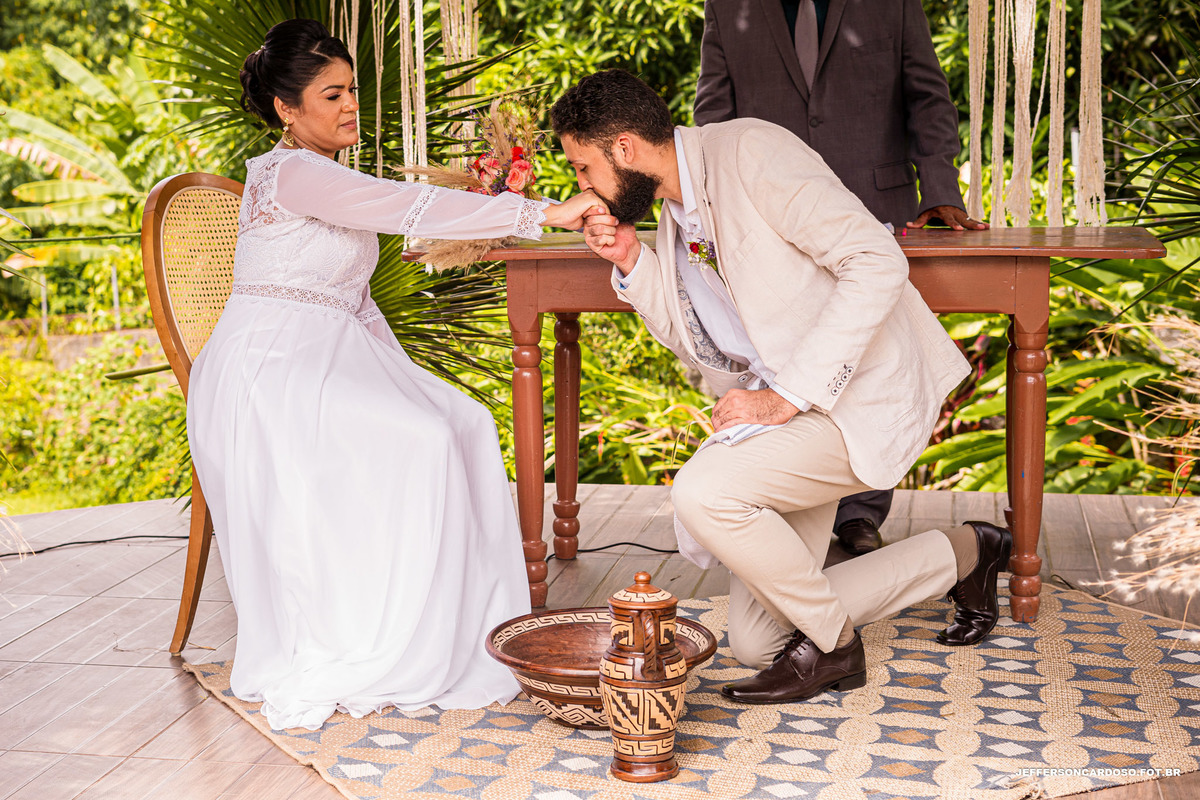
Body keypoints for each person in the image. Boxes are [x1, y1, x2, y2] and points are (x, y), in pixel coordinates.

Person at [187, 19, 599, 731]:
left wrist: (408, 383)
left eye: (350, 90)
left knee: (462, 421)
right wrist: (544, 212)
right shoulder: (294, 171)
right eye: (332, 94)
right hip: (270, 376)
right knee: (423, 442)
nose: (351, 105)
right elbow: (414, 204)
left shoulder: (325, 174)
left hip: (324, 358)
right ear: (288, 109)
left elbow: (354, 300)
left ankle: (475, 626)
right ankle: (404, 632)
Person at [553, 70, 1011, 704]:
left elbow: (877, 261)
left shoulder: (750, 153)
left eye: (583, 167)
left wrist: (786, 396)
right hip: (793, 416)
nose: (581, 186)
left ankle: (835, 649)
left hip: (854, 396)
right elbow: (698, 340)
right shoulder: (672, 211)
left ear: (624, 149)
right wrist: (632, 261)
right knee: (757, 641)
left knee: (705, 494)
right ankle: (968, 551)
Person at [694, 0, 989, 557]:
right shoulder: (727, 6)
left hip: (877, 207)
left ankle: (861, 510)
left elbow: (928, 96)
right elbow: (714, 109)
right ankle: (798, 499)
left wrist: (943, 190)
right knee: (794, 341)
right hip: (770, 215)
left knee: (865, 347)